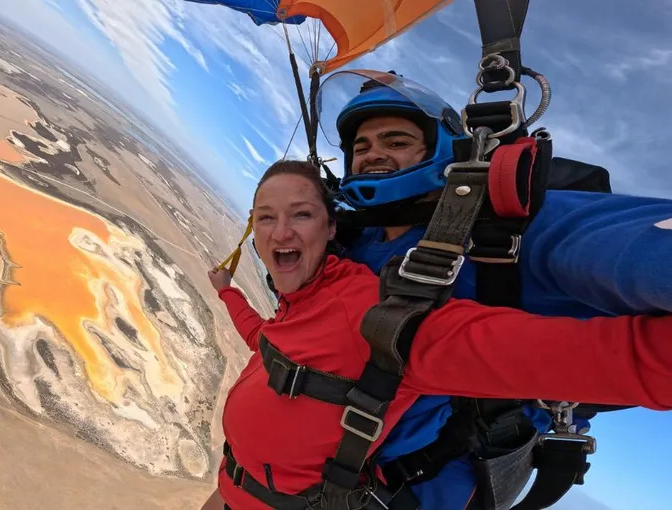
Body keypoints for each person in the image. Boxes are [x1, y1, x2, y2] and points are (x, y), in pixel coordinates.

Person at [202, 159, 672, 510]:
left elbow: (621, 362)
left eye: (300, 214)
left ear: (330, 226)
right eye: (265, 217)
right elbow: (264, 341)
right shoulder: (299, 300)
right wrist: (228, 295)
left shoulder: (389, 321)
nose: (279, 230)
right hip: (229, 490)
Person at [324, 70, 672, 508]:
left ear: (440, 148)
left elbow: (632, 249)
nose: (373, 154)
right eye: (362, 146)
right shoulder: (352, 237)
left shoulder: (506, 233)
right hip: (311, 469)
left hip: (411, 489)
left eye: (396, 142)